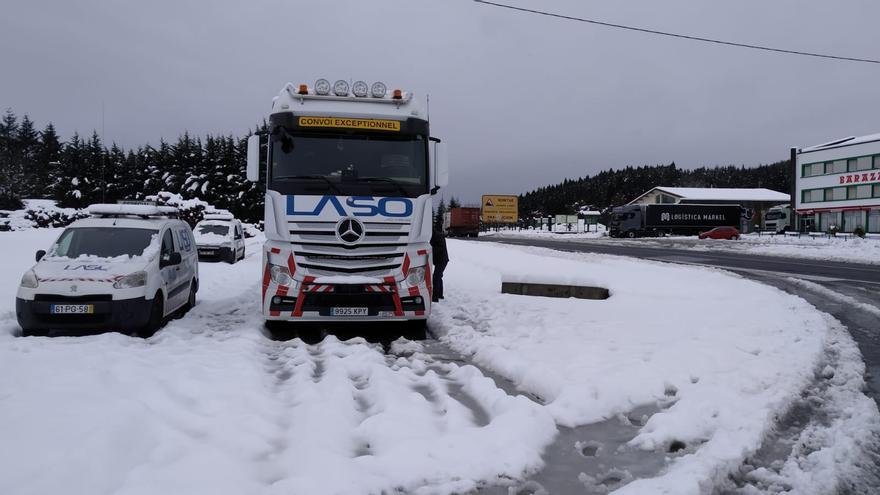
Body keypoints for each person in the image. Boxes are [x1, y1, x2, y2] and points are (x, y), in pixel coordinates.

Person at [430, 226, 449, 302]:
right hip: (440, 260)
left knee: (436, 277)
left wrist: (430, 248)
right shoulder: (435, 235)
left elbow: (440, 248)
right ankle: (440, 295)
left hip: (442, 260)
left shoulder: (438, 236)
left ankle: (435, 297)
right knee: (438, 276)